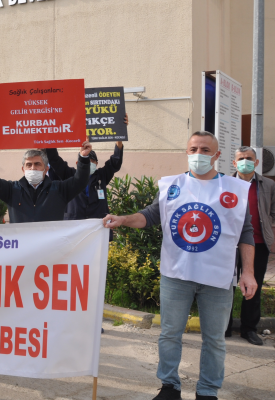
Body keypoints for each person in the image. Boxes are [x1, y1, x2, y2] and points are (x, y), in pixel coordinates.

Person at [103, 131, 257, 400]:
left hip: (218, 277)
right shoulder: (171, 185)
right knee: (169, 334)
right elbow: (150, 216)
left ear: (217, 155)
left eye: (205, 150)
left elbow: (245, 233)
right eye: (194, 149)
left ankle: (207, 391)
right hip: (176, 275)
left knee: (215, 339)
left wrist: (249, 273)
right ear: (187, 152)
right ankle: (169, 387)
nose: (199, 154)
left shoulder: (234, 189)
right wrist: (123, 219)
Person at [225, 146, 274, 346]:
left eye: (249, 158)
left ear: (256, 162)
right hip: (229, 244)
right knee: (226, 285)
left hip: (258, 244)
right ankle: (224, 326)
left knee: (253, 286)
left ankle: (249, 329)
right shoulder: (225, 183)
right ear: (234, 163)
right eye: (241, 158)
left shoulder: (268, 185)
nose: (245, 162)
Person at [0, 141, 92, 223]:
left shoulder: (59, 190)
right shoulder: (12, 190)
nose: (33, 168)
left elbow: (80, 181)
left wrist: (83, 157)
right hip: (22, 245)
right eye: (29, 165)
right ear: (23, 169)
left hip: (52, 245)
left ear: (46, 169)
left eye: (37, 164)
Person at [47, 114, 128, 220]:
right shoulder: (69, 174)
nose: (89, 163)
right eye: (86, 159)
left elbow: (115, 162)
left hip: (98, 222)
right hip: (74, 222)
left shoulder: (102, 175)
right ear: (78, 163)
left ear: (97, 163)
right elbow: (55, 160)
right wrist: (49, 135)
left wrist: (120, 132)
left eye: (92, 160)